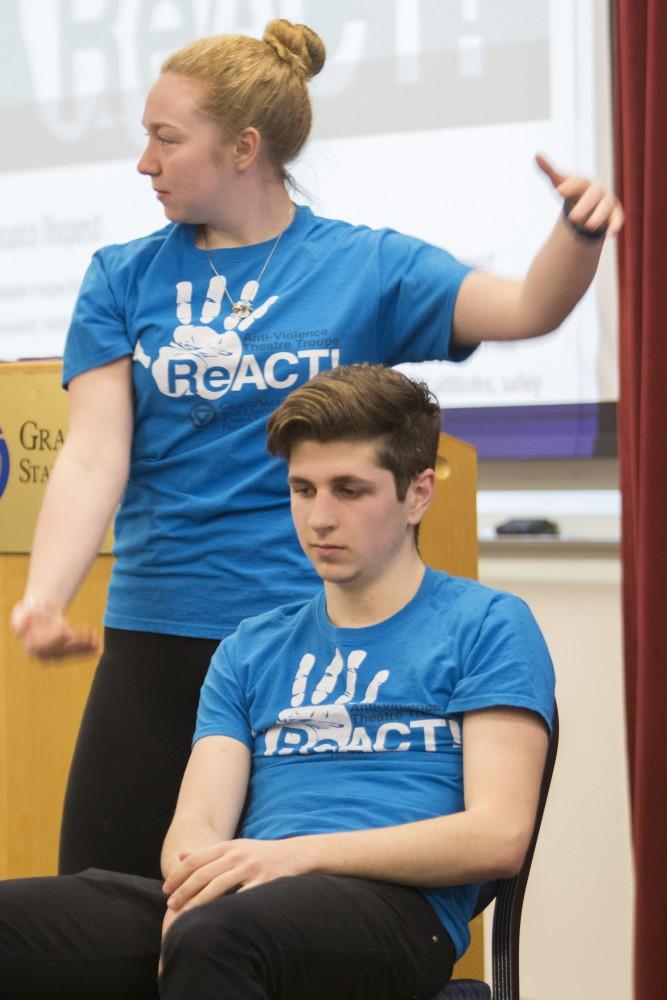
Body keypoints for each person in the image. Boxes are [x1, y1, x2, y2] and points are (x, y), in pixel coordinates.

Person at [9, 18, 614, 880]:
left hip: (309, 644)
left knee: (266, 911)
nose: (144, 163)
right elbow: (94, 455)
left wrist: (578, 236)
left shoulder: (363, 267)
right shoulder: (123, 276)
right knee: (102, 903)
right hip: (156, 630)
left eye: (165, 139)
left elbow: (524, 311)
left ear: (244, 147)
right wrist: (45, 595)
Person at [0, 364, 555, 1000]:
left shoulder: (487, 624)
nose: (319, 517)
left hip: (396, 913)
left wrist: (294, 856)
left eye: (349, 490)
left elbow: (498, 836)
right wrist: (197, 881)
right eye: (302, 489)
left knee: (220, 938)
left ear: (418, 493)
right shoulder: (251, 647)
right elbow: (196, 823)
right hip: (242, 898)